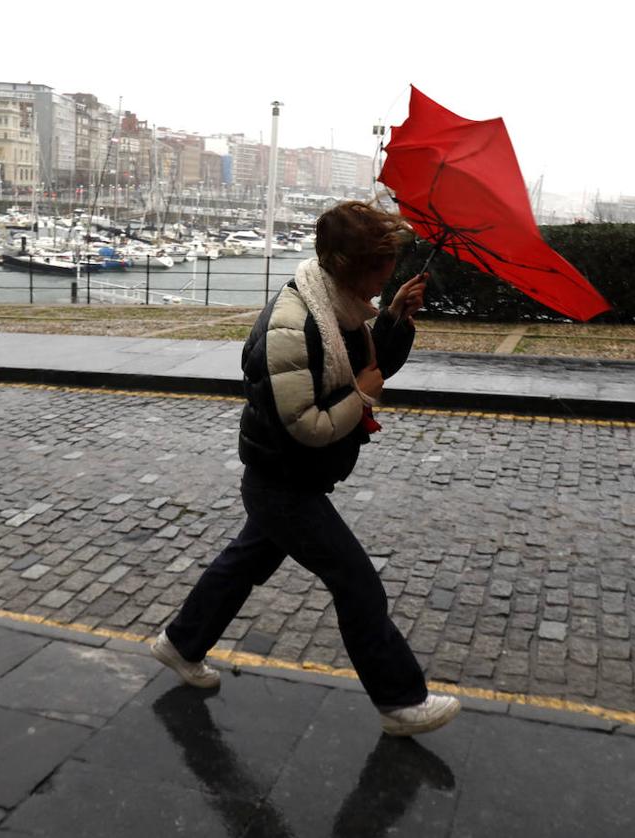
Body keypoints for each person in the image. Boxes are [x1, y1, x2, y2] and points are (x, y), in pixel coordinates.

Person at [153, 200, 460, 736]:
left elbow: (371, 366)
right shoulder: (292, 327)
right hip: (282, 481)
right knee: (357, 583)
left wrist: (394, 318)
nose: (380, 286)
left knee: (246, 562)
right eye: (377, 276)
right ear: (348, 267)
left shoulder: (340, 306)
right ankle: (400, 702)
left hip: (293, 475)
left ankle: (180, 643)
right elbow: (309, 424)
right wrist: (362, 399)